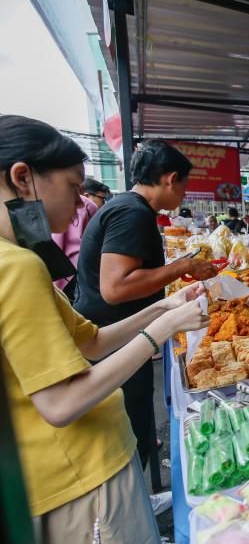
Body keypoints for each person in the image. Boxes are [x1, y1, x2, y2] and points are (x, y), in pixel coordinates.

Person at [0, 115, 210, 541]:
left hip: (67, 476)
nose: (81, 204)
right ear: (23, 178)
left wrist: (163, 308)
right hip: (80, 477)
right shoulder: (16, 266)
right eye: (75, 187)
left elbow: (92, 341)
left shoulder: (18, 257)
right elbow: (59, 404)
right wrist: (166, 325)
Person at [75, 140, 218, 468]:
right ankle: (138, 499)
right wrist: (183, 267)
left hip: (114, 333)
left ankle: (141, 490)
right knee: (130, 423)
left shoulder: (129, 208)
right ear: (170, 179)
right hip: (113, 338)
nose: (184, 193)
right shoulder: (132, 213)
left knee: (133, 418)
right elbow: (114, 287)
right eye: (184, 184)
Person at [50, 179, 109, 297]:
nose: (104, 203)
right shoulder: (88, 205)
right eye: (102, 199)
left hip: (58, 271)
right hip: (79, 269)